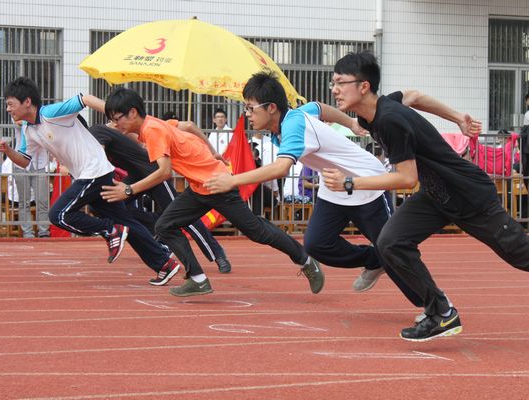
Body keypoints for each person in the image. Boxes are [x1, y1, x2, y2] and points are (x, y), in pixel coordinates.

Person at [323, 51, 529, 342]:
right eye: (333, 82)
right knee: (391, 242)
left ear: (364, 86)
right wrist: (457, 117)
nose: (335, 89)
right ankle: (441, 313)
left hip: (468, 195)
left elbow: (407, 178)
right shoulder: (379, 109)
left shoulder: (389, 120)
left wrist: (351, 183)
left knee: (521, 256)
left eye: (340, 83)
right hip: (436, 195)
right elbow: (415, 95)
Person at [204, 71, 421, 309]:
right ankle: (374, 260)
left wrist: (233, 181)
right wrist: (350, 123)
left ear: (272, 108)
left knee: (392, 250)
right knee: (317, 244)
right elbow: (319, 107)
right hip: (333, 186)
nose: (247, 115)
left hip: (365, 184)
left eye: (251, 109)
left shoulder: (293, 124)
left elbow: (281, 168)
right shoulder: (291, 118)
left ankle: (432, 306)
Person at [101, 87, 324, 297]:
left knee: (256, 231)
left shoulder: (152, 130)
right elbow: (188, 126)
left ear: (132, 113)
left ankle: (305, 260)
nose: (114, 123)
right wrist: (213, 151)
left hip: (218, 184)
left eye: (116, 118)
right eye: (111, 119)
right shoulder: (153, 124)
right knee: (165, 225)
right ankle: (197, 279)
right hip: (201, 186)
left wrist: (128, 190)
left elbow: (164, 173)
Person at [0, 77, 181, 285]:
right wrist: (8, 151)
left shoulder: (50, 113)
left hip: (94, 171)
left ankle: (109, 230)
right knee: (125, 222)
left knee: (58, 215)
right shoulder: (28, 130)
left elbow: (84, 99)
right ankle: (164, 263)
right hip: (91, 174)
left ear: (27, 101)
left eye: (10, 104)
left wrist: (116, 116)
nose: (8, 109)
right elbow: (23, 161)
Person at [88, 120, 233, 274]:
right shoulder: (117, 129)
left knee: (184, 217)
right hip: (136, 177)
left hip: (155, 174)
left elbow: (189, 126)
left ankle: (217, 254)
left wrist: (212, 152)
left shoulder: (134, 126)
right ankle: (158, 233)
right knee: (106, 204)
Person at [10, 123, 51, 238]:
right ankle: (27, 232)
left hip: (40, 164)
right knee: (24, 201)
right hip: (20, 164)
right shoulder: (20, 115)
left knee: (42, 200)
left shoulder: (43, 119)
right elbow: (18, 120)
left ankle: (43, 231)